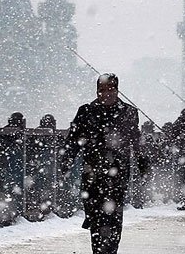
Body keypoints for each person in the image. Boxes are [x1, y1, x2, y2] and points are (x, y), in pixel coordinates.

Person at [59, 73, 146, 254]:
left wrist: (143, 162)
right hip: (92, 175)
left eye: (110, 89)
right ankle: (99, 243)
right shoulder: (86, 111)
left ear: (117, 90)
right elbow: (74, 140)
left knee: (113, 217)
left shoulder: (128, 112)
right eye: (102, 90)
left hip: (118, 175)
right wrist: (66, 160)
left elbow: (135, 140)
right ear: (97, 91)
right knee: (96, 217)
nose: (106, 94)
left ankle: (109, 249)